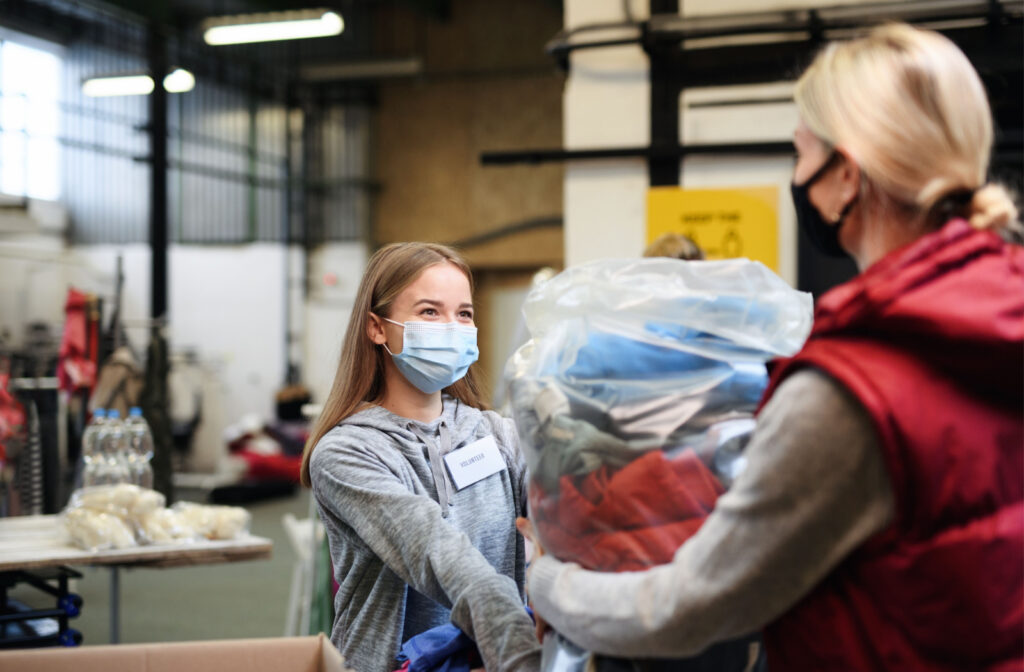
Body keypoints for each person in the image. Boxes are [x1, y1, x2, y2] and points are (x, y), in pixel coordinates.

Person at [519, 23, 1023, 670]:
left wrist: (546, 582)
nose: (798, 174)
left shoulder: (850, 389)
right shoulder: (997, 319)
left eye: (799, 152)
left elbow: (683, 607)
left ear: (847, 175)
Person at [302, 242, 541, 672]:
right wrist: (519, 651)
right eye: (430, 312)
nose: (451, 327)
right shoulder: (345, 453)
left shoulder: (497, 435)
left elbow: (566, 513)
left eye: (463, 314)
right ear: (377, 327)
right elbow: (436, 551)